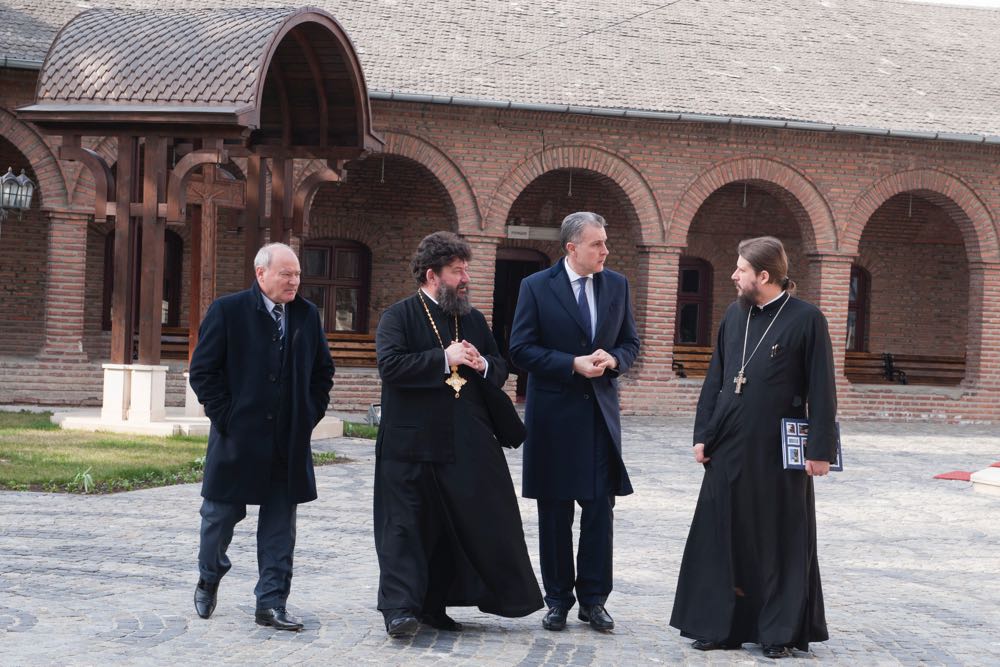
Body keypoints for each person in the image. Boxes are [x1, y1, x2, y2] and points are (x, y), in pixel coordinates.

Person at [669, 236, 838, 659]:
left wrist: (821, 451)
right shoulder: (734, 314)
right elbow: (718, 378)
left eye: (741, 269)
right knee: (721, 533)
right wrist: (702, 434)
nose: (734, 275)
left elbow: (823, 387)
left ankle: (776, 630)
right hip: (728, 444)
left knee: (776, 538)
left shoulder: (807, 319)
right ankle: (718, 624)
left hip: (778, 454)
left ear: (764, 275)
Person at [373, 231, 543, 638]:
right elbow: (391, 367)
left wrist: (482, 363)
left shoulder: (471, 319)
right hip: (410, 444)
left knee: (457, 524)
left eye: (466, 269)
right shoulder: (398, 316)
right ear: (432, 275)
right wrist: (442, 358)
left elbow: (501, 366)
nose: (466, 278)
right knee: (405, 526)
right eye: (457, 271)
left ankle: (433, 605)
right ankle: (398, 609)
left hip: (465, 441)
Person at [189, 242, 334, 631]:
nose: (294, 281)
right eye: (286, 274)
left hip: (288, 442)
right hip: (237, 439)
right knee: (218, 518)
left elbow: (323, 373)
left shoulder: (306, 314)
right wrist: (227, 418)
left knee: (279, 528)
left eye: (298, 274)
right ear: (261, 273)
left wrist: (308, 415)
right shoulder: (228, 311)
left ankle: (270, 603)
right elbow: (203, 372)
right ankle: (210, 574)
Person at [509, 211, 640, 633]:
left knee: (600, 510)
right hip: (554, 420)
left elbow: (631, 342)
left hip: (600, 419)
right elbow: (520, 350)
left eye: (605, 243)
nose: (605, 251)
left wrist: (615, 359)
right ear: (571, 249)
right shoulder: (535, 287)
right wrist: (572, 364)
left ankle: (595, 601)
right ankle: (558, 600)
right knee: (555, 513)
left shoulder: (617, 284)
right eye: (597, 244)